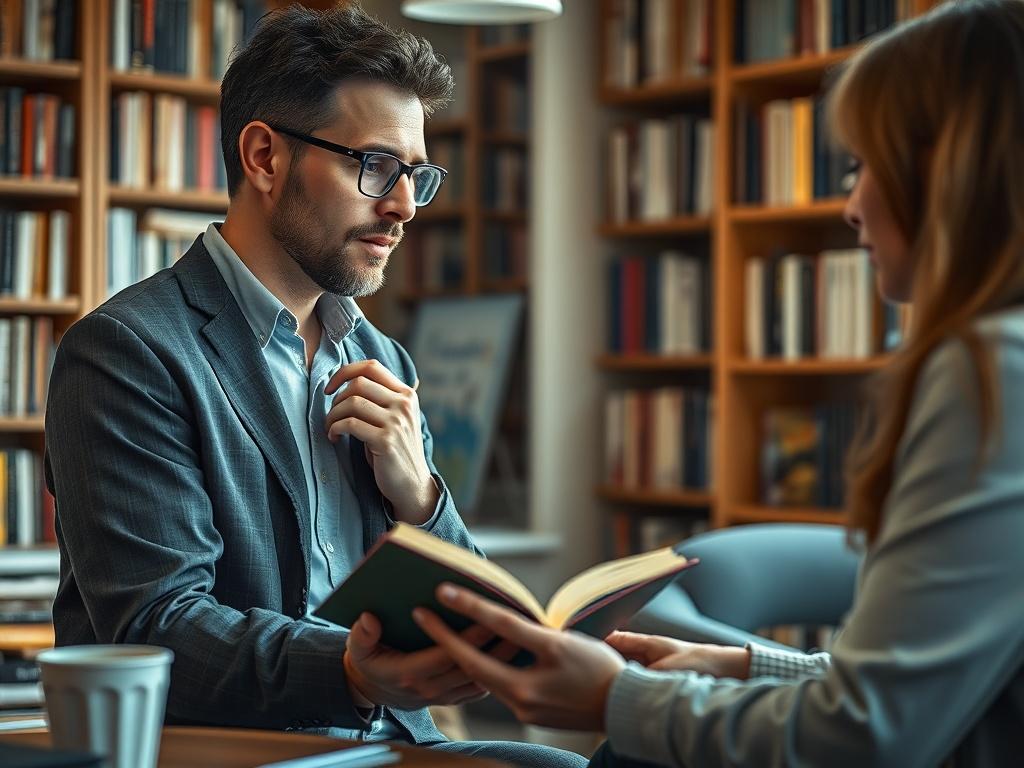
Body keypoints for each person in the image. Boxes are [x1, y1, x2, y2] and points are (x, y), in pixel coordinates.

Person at [411, 1, 1024, 765]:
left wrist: (612, 698)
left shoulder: (992, 370)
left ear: (946, 175)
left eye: (865, 166)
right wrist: (743, 666)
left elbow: (871, 738)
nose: (852, 207)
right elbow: (946, 691)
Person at [44, 5, 585, 766]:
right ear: (264, 157)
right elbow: (157, 626)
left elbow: (470, 606)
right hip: (233, 751)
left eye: (416, 176)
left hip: (390, 743)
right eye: (375, 166)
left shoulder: (383, 357)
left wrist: (419, 495)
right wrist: (349, 671)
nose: (402, 206)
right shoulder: (127, 352)